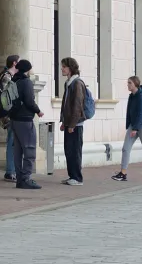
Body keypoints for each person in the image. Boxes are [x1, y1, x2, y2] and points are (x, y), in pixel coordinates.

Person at [8, 59, 44, 189]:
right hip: (25, 119)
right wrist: (38, 111)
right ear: (27, 69)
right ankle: (26, 178)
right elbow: (29, 101)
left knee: (17, 151)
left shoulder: (14, 80)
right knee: (29, 149)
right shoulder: (26, 82)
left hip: (14, 119)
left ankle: (19, 179)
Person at [59, 57, 87, 186]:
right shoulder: (69, 83)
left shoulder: (77, 83)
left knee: (75, 150)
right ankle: (72, 176)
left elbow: (77, 105)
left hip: (75, 124)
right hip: (69, 123)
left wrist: (72, 124)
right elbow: (66, 104)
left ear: (70, 68)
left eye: (64, 67)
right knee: (69, 150)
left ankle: (77, 177)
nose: (62, 69)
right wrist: (64, 122)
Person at [0, 55, 19, 182]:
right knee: (12, 142)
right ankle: (10, 171)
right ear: (14, 63)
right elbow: (6, 97)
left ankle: (12, 170)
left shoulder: (7, 75)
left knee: (13, 141)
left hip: (8, 114)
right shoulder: (7, 76)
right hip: (9, 115)